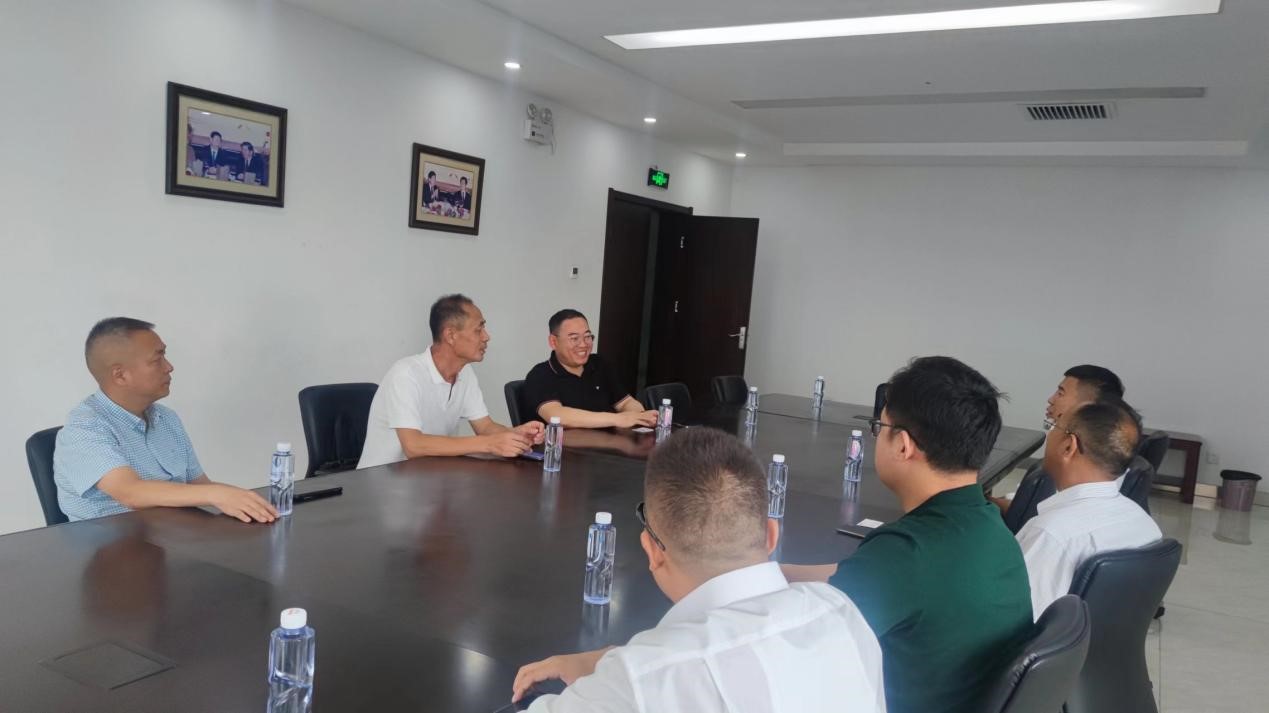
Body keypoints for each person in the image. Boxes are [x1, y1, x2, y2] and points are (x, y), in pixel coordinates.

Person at [511, 428, 886, 713]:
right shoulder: (842, 613)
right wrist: (612, 660)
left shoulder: (641, 681)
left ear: (653, 551)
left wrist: (610, 674)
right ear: (771, 536)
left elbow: (662, 671)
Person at [784, 356, 1032, 713]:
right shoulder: (990, 526)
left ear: (903, 444)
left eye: (879, 426)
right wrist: (776, 571)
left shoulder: (906, 552)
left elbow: (800, 646)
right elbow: (860, 580)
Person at [53, 318, 278, 523]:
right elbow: (130, 492)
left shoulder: (166, 418)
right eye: (157, 359)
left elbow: (199, 486)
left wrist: (251, 504)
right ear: (120, 375)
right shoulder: (83, 428)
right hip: (110, 548)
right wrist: (216, 494)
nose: (169, 367)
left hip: (172, 538)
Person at [358, 294, 544, 468]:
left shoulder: (465, 373)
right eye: (478, 330)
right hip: (381, 481)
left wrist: (515, 434)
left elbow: (485, 427)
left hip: (429, 476)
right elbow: (413, 446)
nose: (486, 337)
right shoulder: (406, 374)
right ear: (450, 335)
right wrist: (488, 444)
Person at [1016, 399, 1162, 618]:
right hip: (1106, 640)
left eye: (1053, 426)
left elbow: (1015, 617)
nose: (1050, 433)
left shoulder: (1051, 534)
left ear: (1069, 446)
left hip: (1057, 640)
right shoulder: (1145, 524)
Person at [992, 363, 1127, 514]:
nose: (1051, 399)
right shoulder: (1111, 451)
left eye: (1060, 393)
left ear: (1087, 406)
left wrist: (988, 502)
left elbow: (1030, 513)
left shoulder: (1079, 461)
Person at [521, 309, 658, 429]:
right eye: (574, 338)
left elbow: (625, 402)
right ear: (553, 342)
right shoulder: (540, 375)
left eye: (587, 337)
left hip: (609, 445)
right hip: (566, 448)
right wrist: (618, 419)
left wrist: (639, 416)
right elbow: (558, 416)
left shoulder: (599, 364)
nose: (583, 344)